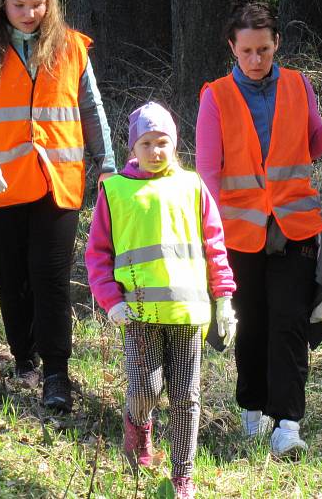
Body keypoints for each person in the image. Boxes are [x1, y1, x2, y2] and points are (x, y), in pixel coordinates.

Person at [0, 0, 115, 413]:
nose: (28, 13)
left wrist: (109, 164)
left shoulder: (72, 48)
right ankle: (24, 358)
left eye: (37, 5)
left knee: (51, 280)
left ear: (49, 3)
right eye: (19, 4)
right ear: (3, 2)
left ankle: (57, 374)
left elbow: (91, 109)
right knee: (12, 278)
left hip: (58, 184)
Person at [195, 0, 322, 457]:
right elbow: (208, 175)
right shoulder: (216, 97)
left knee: (289, 322)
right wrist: (205, 238)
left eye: (264, 50)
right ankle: (252, 409)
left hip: (296, 225)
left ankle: (288, 423)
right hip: (239, 232)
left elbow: (311, 147)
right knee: (252, 325)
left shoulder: (296, 84)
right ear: (232, 47)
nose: (255, 60)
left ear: (277, 45)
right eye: (247, 51)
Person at [85, 102, 236, 499]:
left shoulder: (192, 186)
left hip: (188, 314)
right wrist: (110, 301)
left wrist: (224, 300)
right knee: (145, 391)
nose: (155, 151)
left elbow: (214, 246)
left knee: (186, 399)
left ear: (175, 144)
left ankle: (182, 477)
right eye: (146, 143)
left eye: (163, 142)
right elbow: (97, 253)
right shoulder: (115, 190)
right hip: (137, 315)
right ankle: (139, 424)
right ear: (133, 148)